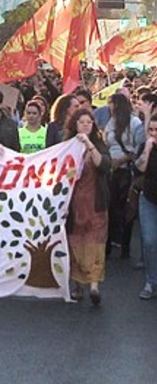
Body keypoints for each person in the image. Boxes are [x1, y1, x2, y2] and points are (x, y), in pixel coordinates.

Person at [65, 109, 111, 305]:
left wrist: (89, 145)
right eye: (81, 122)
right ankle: (77, 284)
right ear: (75, 124)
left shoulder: (98, 145)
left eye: (89, 122)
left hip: (95, 203)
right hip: (75, 203)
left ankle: (93, 286)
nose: (85, 125)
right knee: (76, 242)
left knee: (95, 243)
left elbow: (104, 165)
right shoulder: (66, 148)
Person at [104, 92, 145, 258]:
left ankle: (125, 245)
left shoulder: (134, 123)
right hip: (112, 170)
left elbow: (138, 148)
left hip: (126, 170)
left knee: (126, 207)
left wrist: (122, 159)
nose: (109, 106)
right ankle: (111, 243)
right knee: (111, 207)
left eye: (111, 103)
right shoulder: (111, 122)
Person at [134, 114, 157, 299]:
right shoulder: (145, 147)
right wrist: (148, 149)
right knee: (149, 241)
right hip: (148, 199)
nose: (154, 134)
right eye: (151, 130)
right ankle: (151, 281)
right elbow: (140, 168)